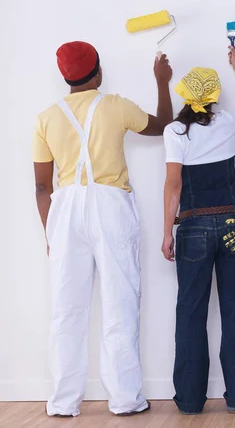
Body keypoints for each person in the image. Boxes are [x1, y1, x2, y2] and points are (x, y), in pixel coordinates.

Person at [33, 41, 173, 417]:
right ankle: (126, 399)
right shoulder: (115, 105)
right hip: (109, 205)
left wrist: (51, 234)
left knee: (66, 309)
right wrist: (162, 82)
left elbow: (42, 187)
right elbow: (164, 127)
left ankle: (63, 402)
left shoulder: (46, 117)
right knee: (120, 303)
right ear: (97, 72)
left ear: (66, 77)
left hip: (63, 210)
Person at [161, 47, 235, 415]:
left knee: (190, 311)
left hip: (194, 226)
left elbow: (173, 185)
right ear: (215, 97)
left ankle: (188, 400)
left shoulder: (175, 130)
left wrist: (167, 231)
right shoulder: (228, 123)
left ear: (184, 95)